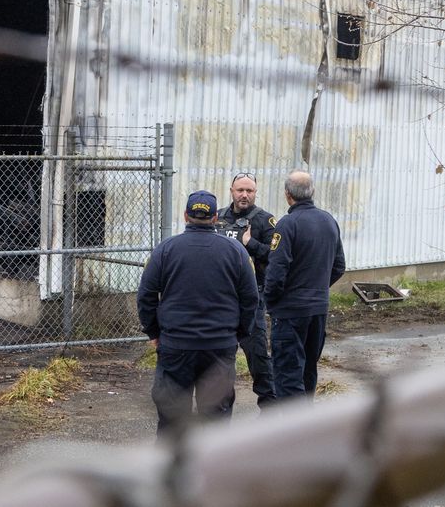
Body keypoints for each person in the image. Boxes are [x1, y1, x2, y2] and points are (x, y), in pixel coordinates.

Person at [137, 190, 258, 435]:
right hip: (218, 346)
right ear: (215, 218)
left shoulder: (165, 249)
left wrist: (154, 332)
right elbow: (250, 298)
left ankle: (172, 471)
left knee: (173, 420)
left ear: (185, 216)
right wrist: (239, 333)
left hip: (176, 346)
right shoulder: (235, 251)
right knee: (215, 420)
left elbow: (146, 295)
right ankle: (215, 470)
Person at [264, 170, 346, 400]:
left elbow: (276, 271)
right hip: (318, 310)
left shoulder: (287, 225)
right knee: (308, 371)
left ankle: (294, 431)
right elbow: (339, 266)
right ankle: (308, 426)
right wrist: (317, 289)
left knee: (288, 375)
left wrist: (271, 300)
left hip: (290, 313)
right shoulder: (329, 221)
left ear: (287, 195)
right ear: (312, 192)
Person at [216, 172, 277, 409]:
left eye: (249, 191)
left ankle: (270, 408)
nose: (244, 195)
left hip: (251, 300)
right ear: (231, 191)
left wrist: (250, 243)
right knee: (221, 357)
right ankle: (219, 411)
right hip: (221, 300)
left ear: (255, 193)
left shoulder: (265, 221)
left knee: (258, 356)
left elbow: (276, 257)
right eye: (240, 190)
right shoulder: (218, 218)